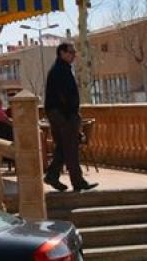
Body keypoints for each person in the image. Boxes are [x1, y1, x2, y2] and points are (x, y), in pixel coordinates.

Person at [43, 42, 97, 192]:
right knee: (71, 147)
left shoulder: (61, 69)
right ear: (62, 53)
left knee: (63, 146)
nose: (74, 55)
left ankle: (52, 175)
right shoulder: (60, 70)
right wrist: (71, 114)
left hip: (59, 113)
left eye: (74, 52)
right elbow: (63, 95)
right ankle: (78, 182)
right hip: (63, 114)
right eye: (71, 52)